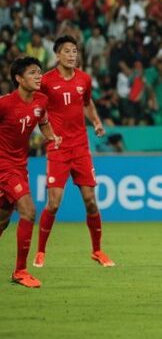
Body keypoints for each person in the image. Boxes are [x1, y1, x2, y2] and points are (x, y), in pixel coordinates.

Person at [35, 36, 114, 268]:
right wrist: (47, 132)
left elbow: (87, 103)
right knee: (54, 202)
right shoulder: (46, 81)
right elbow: (38, 107)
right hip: (58, 147)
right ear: (57, 55)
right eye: (67, 51)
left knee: (90, 201)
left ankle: (97, 250)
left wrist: (97, 123)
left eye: (74, 51)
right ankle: (40, 251)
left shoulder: (84, 79)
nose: (72, 55)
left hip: (80, 147)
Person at [0, 57, 61, 288]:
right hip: (4, 168)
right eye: (33, 73)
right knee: (28, 210)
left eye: (40, 72)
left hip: (20, 167)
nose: (39, 77)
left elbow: (43, 121)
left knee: (3, 220)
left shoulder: (41, 101)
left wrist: (51, 136)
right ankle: (20, 271)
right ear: (18, 78)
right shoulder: (4, 104)